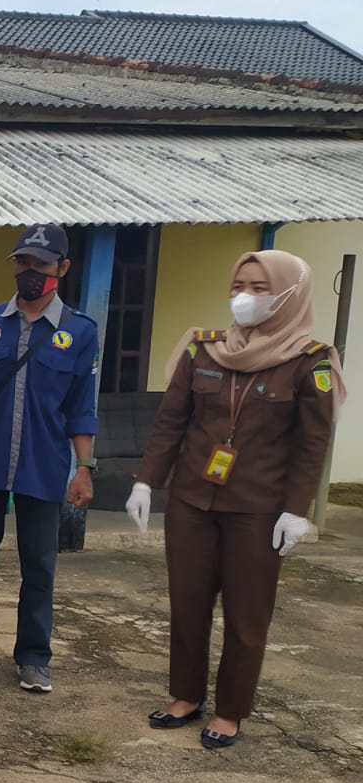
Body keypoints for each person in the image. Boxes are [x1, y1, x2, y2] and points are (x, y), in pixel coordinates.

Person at [127, 250, 343, 749]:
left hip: (258, 508)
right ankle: (186, 695)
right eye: (239, 285)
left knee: (247, 615)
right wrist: (146, 481)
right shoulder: (202, 350)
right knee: (188, 603)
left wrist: (297, 509)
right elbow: (170, 422)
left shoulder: (310, 361)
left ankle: (230, 710)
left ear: (290, 295)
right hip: (191, 501)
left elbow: (312, 443)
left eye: (260, 288)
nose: (245, 296)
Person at [0, 224, 100, 694]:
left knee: (39, 566)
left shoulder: (79, 332)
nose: (31, 272)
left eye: (41, 264)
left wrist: (84, 469)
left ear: (62, 268)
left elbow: (81, 407)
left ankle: (33, 656)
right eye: (23, 262)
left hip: (43, 466)